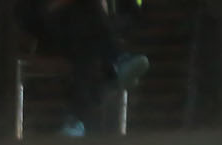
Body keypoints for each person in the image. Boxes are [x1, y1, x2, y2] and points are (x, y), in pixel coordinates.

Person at [13, 0, 149, 137]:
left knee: (86, 36)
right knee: (87, 23)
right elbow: (29, 13)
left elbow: (131, 15)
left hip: (83, 32)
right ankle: (115, 64)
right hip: (49, 31)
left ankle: (75, 119)